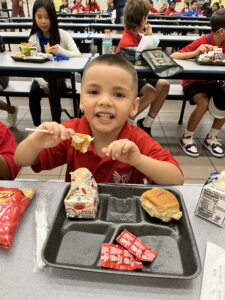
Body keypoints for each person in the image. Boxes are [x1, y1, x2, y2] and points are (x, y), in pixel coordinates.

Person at [14, 54, 184, 185]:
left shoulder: (137, 140)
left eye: (118, 94)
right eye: (94, 92)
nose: (104, 101)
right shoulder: (71, 134)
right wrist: (36, 142)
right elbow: (20, 160)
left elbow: (176, 178)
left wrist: (137, 160)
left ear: (134, 106)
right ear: (81, 100)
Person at [171, 8, 225, 158]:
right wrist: (195, 53)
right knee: (203, 103)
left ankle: (211, 138)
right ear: (221, 31)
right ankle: (187, 137)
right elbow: (174, 55)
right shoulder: (203, 41)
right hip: (193, 81)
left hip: (212, 81)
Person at [117, 0, 169, 137]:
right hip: (129, 77)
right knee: (151, 92)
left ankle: (146, 124)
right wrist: (149, 38)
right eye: (147, 17)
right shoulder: (127, 41)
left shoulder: (136, 35)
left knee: (164, 84)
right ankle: (125, 124)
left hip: (140, 74)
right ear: (142, 19)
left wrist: (147, 38)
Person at [28, 0, 81, 126]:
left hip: (61, 77)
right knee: (34, 92)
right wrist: (41, 82)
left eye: (47, 17)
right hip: (41, 77)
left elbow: (78, 54)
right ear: (34, 17)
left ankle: (56, 124)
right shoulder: (33, 39)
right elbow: (31, 64)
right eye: (39, 17)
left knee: (54, 89)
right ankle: (37, 126)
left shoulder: (62, 35)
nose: (43, 21)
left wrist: (62, 51)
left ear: (53, 17)